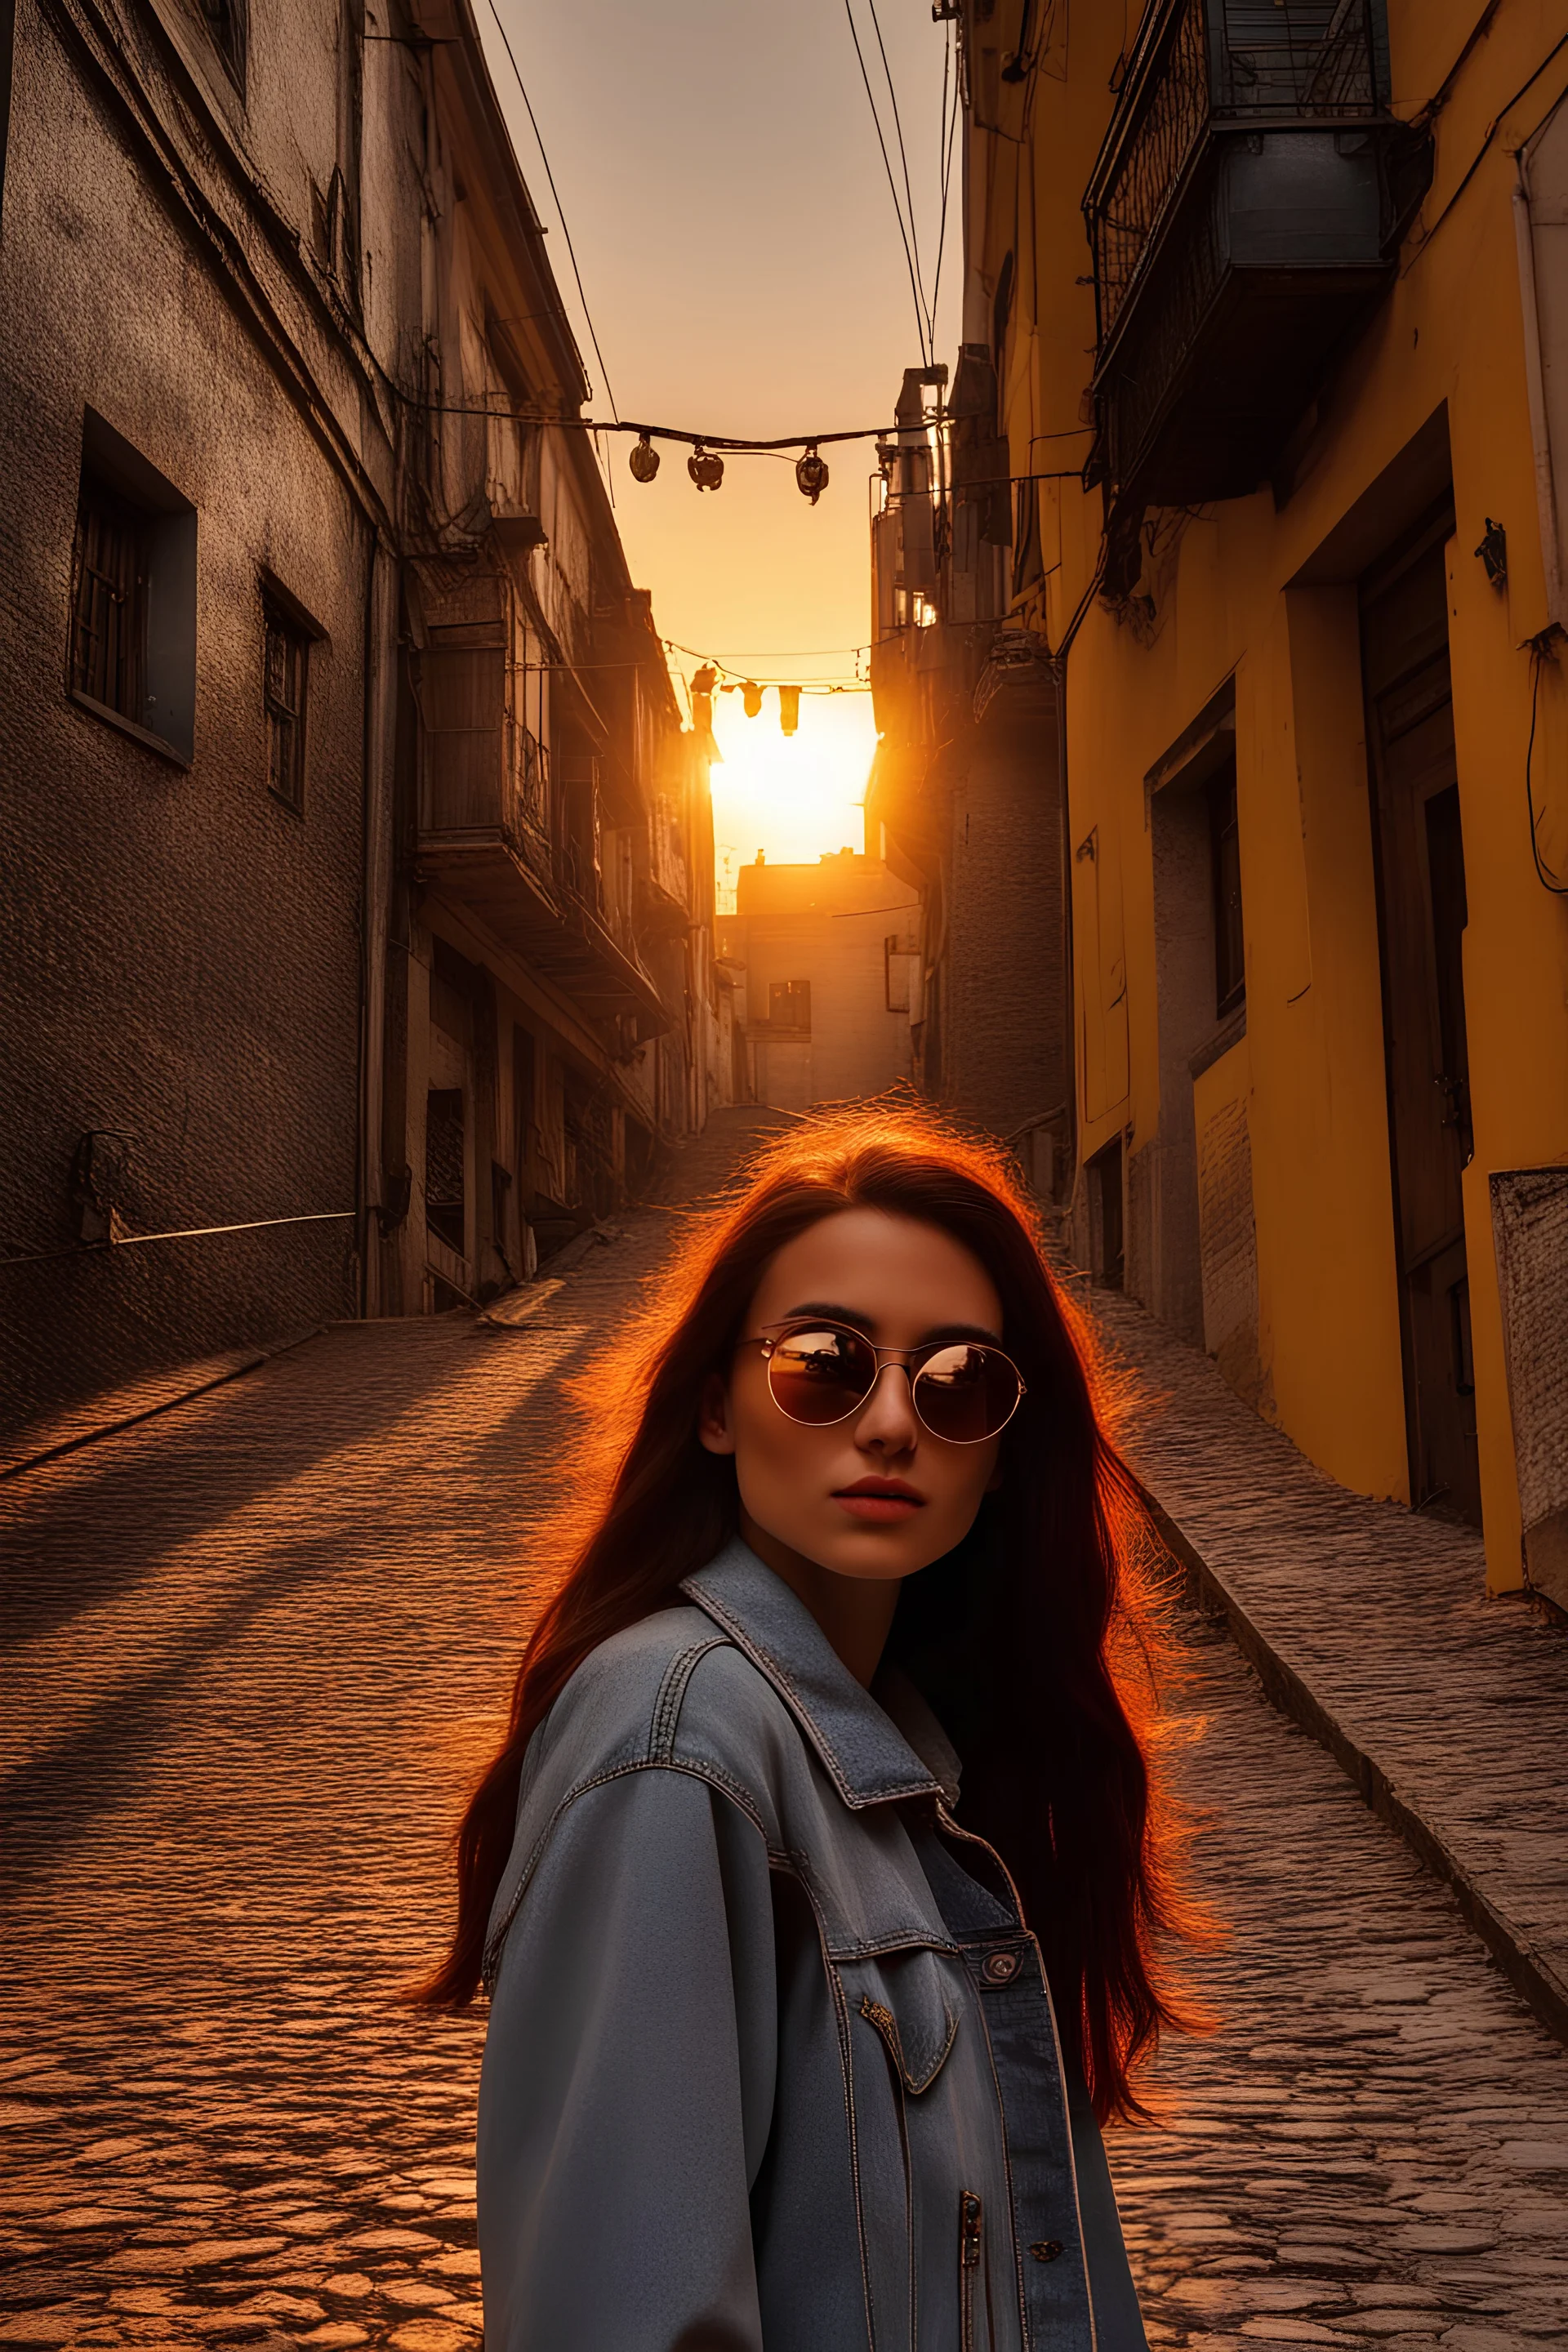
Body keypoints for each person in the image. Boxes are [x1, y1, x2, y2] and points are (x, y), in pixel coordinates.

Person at [421, 1109, 1204, 2351]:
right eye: (827, 1363)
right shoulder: (676, 1743)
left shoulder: (919, 1764)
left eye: (958, 1380)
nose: (892, 1423)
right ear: (718, 1407)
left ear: (1003, 1454)